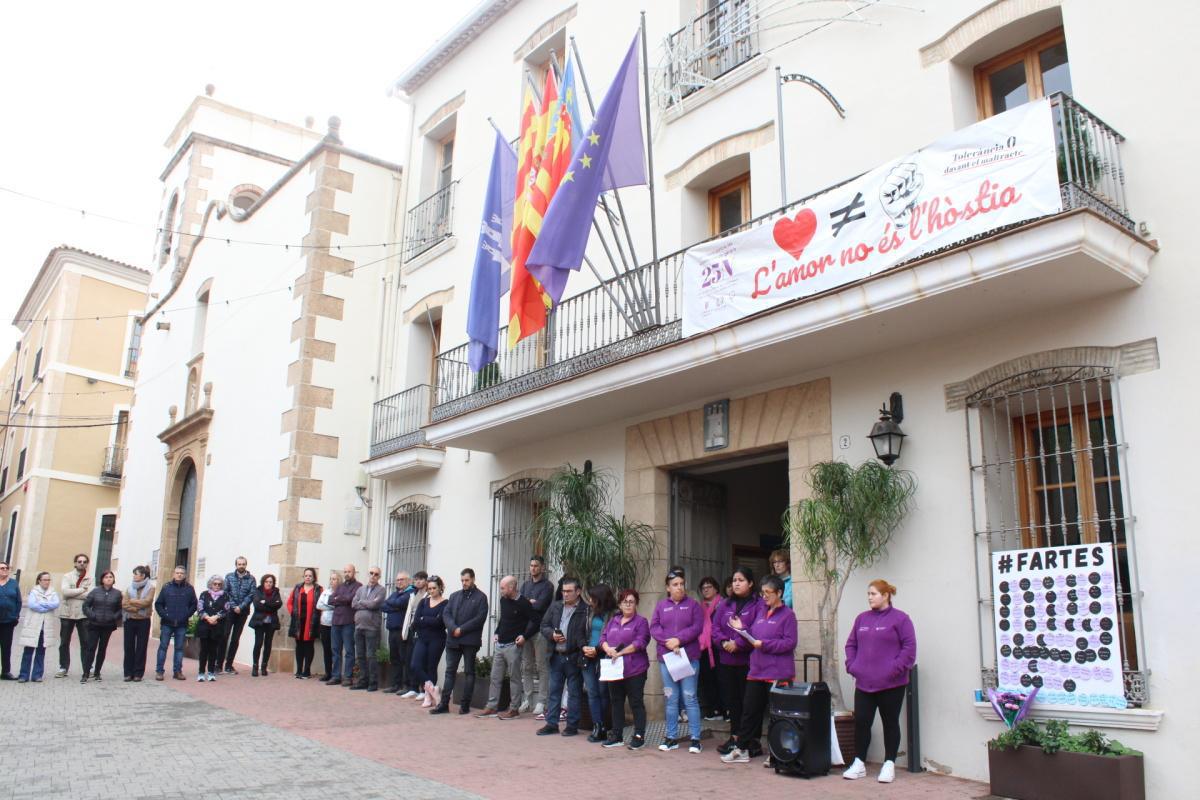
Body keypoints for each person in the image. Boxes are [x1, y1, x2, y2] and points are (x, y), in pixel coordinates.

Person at [842, 579, 917, 784]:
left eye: (873, 594)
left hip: (891, 684)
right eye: (868, 594)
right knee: (862, 723)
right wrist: (852, 665)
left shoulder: (900, 619)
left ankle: (889, 764)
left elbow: (909, 650)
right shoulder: (861, 619)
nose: (869, 597)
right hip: (864, 683)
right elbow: (851, 645)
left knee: (890, 723)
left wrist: (893, 669)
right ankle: (858, 763)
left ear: (885, 595)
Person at [720, 575, 798, 765]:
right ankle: (742, 749)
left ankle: (776, 753)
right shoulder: (761, 611)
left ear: (779, 593)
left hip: (777, 672)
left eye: (768, 593)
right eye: (762, 593)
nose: (764, 597)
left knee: (777, 715)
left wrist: (765, 645)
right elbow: (752, 635)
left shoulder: (788, 615)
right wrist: (742, 628)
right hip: (757, 670)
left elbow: (790, 643)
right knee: (749, 711)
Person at [650, 566, 705, 753]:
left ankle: (696, 738)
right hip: (667, 659)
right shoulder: (661, 606)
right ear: (668, 588)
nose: (679, 587)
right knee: (671, 698)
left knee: (690, 697)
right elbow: (654, 627)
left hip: (688, 657)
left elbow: (697, 627)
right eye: (675, 584)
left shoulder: (693, 605)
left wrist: (679, 640)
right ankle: (671, 737)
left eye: (682, 584)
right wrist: (668, 642)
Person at [713, 567, 762, 756]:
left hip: (748, 662)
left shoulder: (758, 604)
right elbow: (716, 628)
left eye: (741, 580)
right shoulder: (725, 604)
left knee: (750, 703)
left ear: (750, 583)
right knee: (732, 702)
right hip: (727, 660)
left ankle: (752, 740)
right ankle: (735, 737)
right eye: (734, 580)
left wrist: (739, 644)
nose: (736, 583)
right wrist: (724, 642)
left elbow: (757, 629)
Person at [535, 576, 588, 737]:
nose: (565, 594)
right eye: (564, 591)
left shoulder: (584, 610)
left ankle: (572, 725)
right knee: (554, 691)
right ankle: (552, 723)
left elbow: (586, 632)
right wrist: (552, 634)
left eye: (569, 591)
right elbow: (544, 625)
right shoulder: (556, 606)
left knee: (574, 692)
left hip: (573, 656)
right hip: (556, 654)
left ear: (578, 592)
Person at [476, 575, 534, 719]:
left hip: (513, 646)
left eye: (502, 588)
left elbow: (535, 621)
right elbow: (504, 619)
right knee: (495, 677)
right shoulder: (504, 600)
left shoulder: (524, 603)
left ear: (511, 587)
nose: (500, 590)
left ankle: (514, 709)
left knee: (514, 678)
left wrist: (524, 636)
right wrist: (497, 632)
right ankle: (491, 707)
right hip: (500, 644)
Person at [600, 588, 651, 750]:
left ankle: (639, 735)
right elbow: (603, 638)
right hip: (615, 669)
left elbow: (641, 642)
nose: (628, 605)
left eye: (631, 601)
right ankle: (617, 735)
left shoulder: (641, 622)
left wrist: (620, 652)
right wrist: (607, 649)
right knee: (616, 702)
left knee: (635, 702)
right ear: (620, 604)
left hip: (635, 669)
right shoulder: (613, 621)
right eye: (624, 602)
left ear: (636, 603)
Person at [431, 568, 488, 714]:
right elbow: (446, 613)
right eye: (462, 580)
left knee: (469, 672)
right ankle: (444, 704)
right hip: (453, 640)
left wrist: (461, 629)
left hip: (470, 640)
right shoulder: (454, 596)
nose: (464, 583)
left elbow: (479, 619)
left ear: (473, 579)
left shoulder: (481, 597)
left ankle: (465, 705)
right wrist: (453, 627)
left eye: (467, 580)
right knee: (450, 671)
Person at [581, 583, 616, 742]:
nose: (590, 600)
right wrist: (584, 647)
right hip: (588, 655)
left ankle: (604, 725)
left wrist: (598, 649)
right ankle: (597, 725)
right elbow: (582, 632)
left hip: (604, 655)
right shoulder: (590, 612)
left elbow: (614, 637)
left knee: (603, 692)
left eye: (593, 597)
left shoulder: (614, 614)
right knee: (592, 692)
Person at [519, 555, 554, 715]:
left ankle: (541, 701)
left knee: (541, 665)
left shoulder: (548, 586)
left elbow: (540, 606)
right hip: (525, 630)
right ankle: (526, 699)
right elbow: (521, 605)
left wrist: (530, 603)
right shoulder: (525, 585)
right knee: (526, 665)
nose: (533, 568)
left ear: (542, 567)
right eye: (531, 565)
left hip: (540, 629)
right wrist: (529, 603)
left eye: (536, 565)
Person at [154, 565, 197, 680]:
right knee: (163, 647)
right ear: (173, 574)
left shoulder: (189, 588)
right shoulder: (166, 587)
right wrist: (165, 615)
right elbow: (158, 604)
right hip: (167, 623)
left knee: (179, 648)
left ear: (185, 575)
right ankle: (159, 671)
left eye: (181, 573)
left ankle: (177, 671)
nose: (179, 575)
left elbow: (194, 604)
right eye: (177, 573)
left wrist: (186, 615)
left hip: (182, 624)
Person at [410, 575, 447, 707]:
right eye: (429, 588)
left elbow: (440, 622)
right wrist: (427, 620)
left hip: (437, 639)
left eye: (434, 588)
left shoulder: (445, 603)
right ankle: (433, 689)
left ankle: (428, 696)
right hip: (422, 638)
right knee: (415, 665)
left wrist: (424, 619)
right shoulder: (423, 602)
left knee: (431, 666)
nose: (431, 591)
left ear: (440, 588)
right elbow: (416, 621)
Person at [80, 570, 122, 683]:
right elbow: (86, 606)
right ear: (102, 579)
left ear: (113, 579)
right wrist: (92, 615)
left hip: (108, 625)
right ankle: (86, 673)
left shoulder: (117, 593)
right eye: (106, 577)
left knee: (102, 649)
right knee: (90, 648)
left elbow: (120, 609)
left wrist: (114, 617)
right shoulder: (95, 591)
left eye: (111, 577)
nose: (109, 579)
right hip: (94, 624)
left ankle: (97, 672)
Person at [55, 552, 92, 678]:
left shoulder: (90, 578)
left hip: (82, 613)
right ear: (75, 563)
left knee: (86, 642)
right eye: (79, 561)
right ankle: (63, 667)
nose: (82, 563)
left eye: (84, 562)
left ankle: (87, 668)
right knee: (64, 642)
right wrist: (82, 590)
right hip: (67, 612)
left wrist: (73, 593)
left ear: (87, 564)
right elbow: (65, 592)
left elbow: (90, 595)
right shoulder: (67, 576)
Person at [18, 571, 60, 682]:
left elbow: (55, 603)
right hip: (33, 626)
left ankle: (37, 675)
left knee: (41, 652)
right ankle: (23, 675)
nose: (47, 582)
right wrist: (46, 606)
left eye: (48, 580)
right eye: (45, 580)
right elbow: (32, 605)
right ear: (39, 581)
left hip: (45, 628)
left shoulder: (53, 592)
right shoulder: (34, 591)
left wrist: (42, 604)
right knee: (28, 652)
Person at [351, 566, 386, 691]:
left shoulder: (381, 590)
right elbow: (353, 603)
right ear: (368, 574)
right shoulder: (360, 589)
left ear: (379, 577)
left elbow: (374, 604)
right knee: (360, 655)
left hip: (372, 627)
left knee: (371, 655)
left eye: (376, 574)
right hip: (359, 626)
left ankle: (373, 682)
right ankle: (363, 680)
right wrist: (366, 603)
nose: (373, 576)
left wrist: (362, 602)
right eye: (371, 573)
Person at [325, 564, 360, 686]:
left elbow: (351, 599)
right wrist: (341, 599)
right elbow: (330, 600)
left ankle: (348, 677)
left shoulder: (358, 586)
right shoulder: (339, 586)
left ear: (354, 572)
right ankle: (336, 676)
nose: (347, 574)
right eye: (345, 571)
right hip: (336, 622)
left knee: (349, 650)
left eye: (349, 571)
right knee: (335, 650)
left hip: (349, 622)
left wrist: (339, 599)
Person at [697, 575, 726, 723]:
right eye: (703, 588)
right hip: (703, 648)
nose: (706, 590)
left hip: (718, 647)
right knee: (707, 679)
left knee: (722, 679)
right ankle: (713, 709)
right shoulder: (699, 607)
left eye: (709, 587)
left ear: (716, 588)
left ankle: (725, 709)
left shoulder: (723, 604)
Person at [287, 567, 323, 679]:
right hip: (298, 622)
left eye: (310, 576)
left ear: (314, 578)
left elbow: (322, 605)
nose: (308, 577)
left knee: (309, 645)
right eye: (306, 575)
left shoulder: (319, 589)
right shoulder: (298, 588)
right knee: (299, 646)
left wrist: (319, 618)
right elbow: (289, 602)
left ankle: (306, 671)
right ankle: (298, 670)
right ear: (303, 577)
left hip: (311, 622)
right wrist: (293, 613)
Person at [382, 571, 414, 693]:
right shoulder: (396, 593)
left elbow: (400, 603)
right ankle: (396, 684)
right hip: (392, 630)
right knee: (394, 658)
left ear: (408, 581)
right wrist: (395, 606)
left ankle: (406, 685)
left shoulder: (410, 592)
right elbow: (383, 606)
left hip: (403, 631)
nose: (399, 582)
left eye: (402, 579)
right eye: (398, 580)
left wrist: (393, 604)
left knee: (404, 658)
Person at [222, 556, 255, 674]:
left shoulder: (251, 579)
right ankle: (218, 664)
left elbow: (251, 595)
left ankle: (229, 665)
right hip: (230, 611)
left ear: (246, 565)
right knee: (224, 635)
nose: (241, 566)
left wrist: (240, 607)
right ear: (236, 565)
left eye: (243, 564)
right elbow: (226, 592)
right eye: (239, 564)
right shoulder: (229, 577)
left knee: (235, 639)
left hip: (242, 612)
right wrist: (233, 606)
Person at [398, 571, 428, 697]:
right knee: (410, 658)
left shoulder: (428, 595)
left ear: (426, 580)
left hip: (422, 630)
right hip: (411, 628)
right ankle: (413, 687)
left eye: (421, 579)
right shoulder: (414, 594)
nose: (418, 582)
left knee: (422, 660)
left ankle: (423, 689)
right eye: (416, 580)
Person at [122, 565, 155, 682]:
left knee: (141, 647)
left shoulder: (151, 588)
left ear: (143, 576)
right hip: (130, 619)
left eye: (136, 574)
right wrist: (135, 608)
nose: (134, 576)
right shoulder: (129, 588)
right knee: (128, 646)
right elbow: (124, 603)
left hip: (143, 620)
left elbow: (147, 602)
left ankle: (138, 673)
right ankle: (127, 673)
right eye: (134, 574)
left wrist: (132, 601)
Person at [195, 575, 231, 682]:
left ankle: (211, 672)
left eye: (219, 584)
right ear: (211, 584)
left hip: (217, 626)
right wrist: (207, 617)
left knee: (213, 650)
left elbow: (226, 609)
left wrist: (216, 617)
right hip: (204, 626)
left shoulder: (225, 596)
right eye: (215, 584)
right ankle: (201, 672)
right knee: (203, 650)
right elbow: (199, 608)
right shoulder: (204, 594)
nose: (217, 586)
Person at [249, 574, 283, 677]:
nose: (269, 583)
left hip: (271, 622)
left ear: (273, 583)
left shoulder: (276, 592)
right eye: (267, 581)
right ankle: (255, 666)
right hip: (259, 622)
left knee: (268, 644)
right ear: (263, 582)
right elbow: (257, 605)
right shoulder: (257, 591)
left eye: (271, 582)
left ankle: (264, 667)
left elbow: (278, 604)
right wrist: (270, 604)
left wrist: (265, 602)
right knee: (258, 643)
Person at [316, 571, 340, 680]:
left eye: (334, 579)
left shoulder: (340, 592)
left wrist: (328, 605)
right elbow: (319, 605)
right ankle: (327, 672)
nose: (332, 581)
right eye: (331, 578)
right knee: (326, 649)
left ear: (339, 580)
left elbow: (338, 606)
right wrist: (330, 606)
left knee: (334, 649)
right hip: (324, 623)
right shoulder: (325, 592)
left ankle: (335, 673)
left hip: (335, 624)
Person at [0, 560, 21, 680]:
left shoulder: (13, 583)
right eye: (1, 568)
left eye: (6, 568)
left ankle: (6, 672)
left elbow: (18, 601)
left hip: (8, 621)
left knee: (6, 647)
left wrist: (16, 615)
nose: (4, 570)